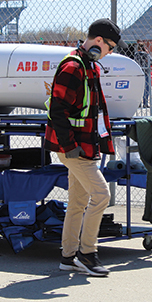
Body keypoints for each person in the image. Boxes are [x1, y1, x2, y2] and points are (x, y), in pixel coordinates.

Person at [45, 18, 127, 276]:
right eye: (110, 46)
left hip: (83, 145)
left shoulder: (88, 64)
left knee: (78, 201)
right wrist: (69, 146)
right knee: (102, 195)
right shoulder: (74, 67)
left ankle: (68, 256)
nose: (110, 52)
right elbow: (58, 110)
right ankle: (87, 253)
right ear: (99, 41)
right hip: (74, 147)